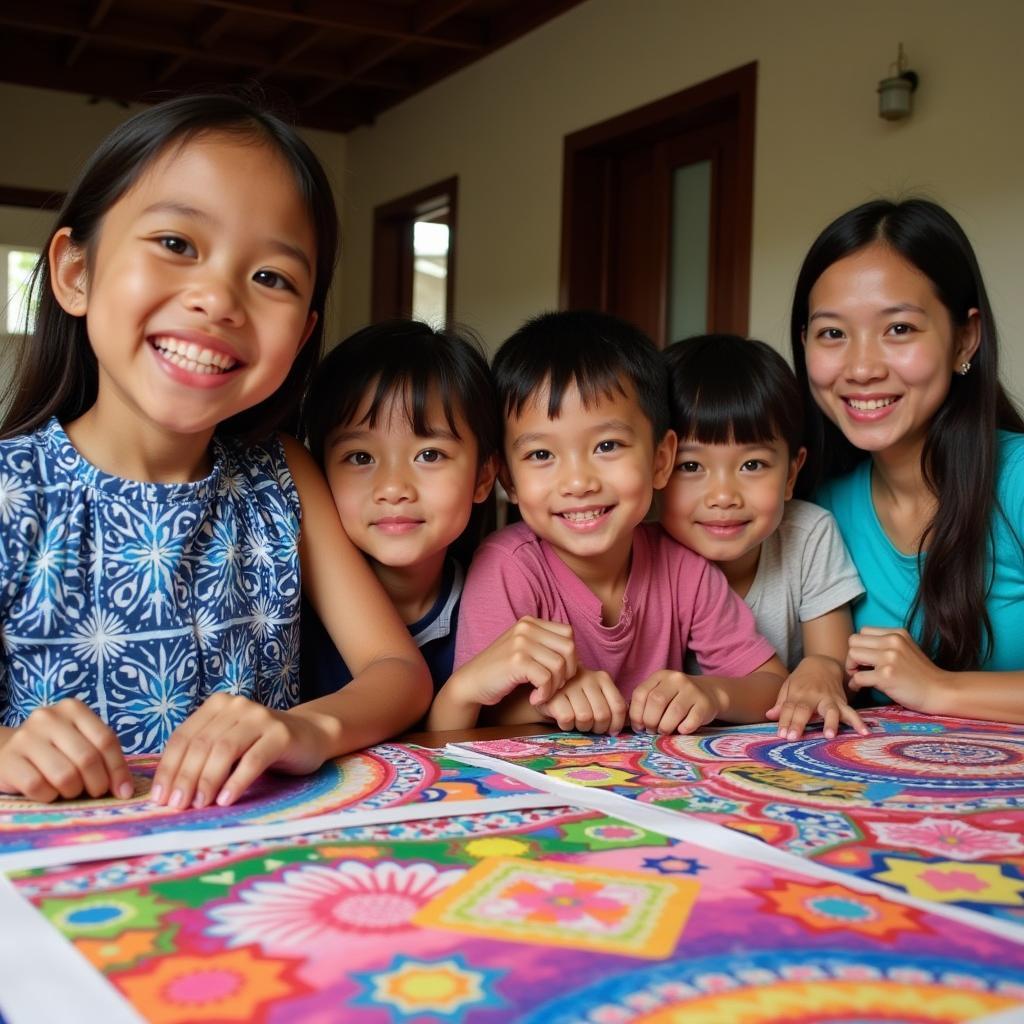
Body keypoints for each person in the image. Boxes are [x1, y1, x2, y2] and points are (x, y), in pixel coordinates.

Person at [0, 94, 431, 807]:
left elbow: (398, 670)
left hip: (255, 878)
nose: (220, 298)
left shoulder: (284, 477)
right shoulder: (12, 488)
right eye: (177, 244)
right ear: (75, 272)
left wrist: (308, 729)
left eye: (272, 278)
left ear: (300, 335)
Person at [430, 310, 787, 734]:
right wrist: (549, 705)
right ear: (508, 478)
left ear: (660, 459)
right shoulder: (509, 568)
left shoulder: (684, 569)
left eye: (607, 445)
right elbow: (471, 717)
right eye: (541, 455)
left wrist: (713, 694)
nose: (578, 482)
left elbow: (772, 685)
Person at [791, 198, 1024, 722]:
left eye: (899, 329)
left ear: (965, 339)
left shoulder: (1018, 483)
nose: (862, 367)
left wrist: (941, 690)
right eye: (832, 333)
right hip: (872, 792)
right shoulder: (814, 508)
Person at [660, 334, 866, 739]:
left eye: (752, 464)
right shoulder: (638, 552)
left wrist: (822, 669)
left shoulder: (808, 534)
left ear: (791, 472)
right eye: (690, 466)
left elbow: (831, 661)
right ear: (655, 466)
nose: (723, 496)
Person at [298, 319, 498, 698]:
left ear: (484, 477)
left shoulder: (501, 603)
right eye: (359, 457)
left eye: (429, 454)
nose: (393, 488)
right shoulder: (287, 607)